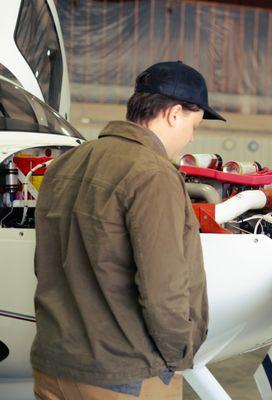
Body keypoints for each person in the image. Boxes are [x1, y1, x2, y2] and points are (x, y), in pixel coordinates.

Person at [31, 61, 225, 399]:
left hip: (53, 366)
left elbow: (45, 264)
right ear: (174, 114)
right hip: (123, 374)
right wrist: (179, 356)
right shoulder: (153, 174)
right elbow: (164, 287)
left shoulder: (64, 164)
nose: (192, 136)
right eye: (194, 124)